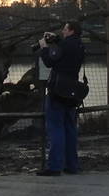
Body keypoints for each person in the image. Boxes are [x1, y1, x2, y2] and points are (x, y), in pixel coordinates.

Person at [36, 20, 85, 176]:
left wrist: (44, 47)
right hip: (72, 92)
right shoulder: (80, 46)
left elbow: (50, 61)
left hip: (57, 92)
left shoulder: (64, 46)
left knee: (56, 128)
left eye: (65, 29)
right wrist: (56, 40)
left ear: (71, 30)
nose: (62, 32)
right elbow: (65, 53)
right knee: (70, 128)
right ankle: (72, 165)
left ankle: (55, 166)